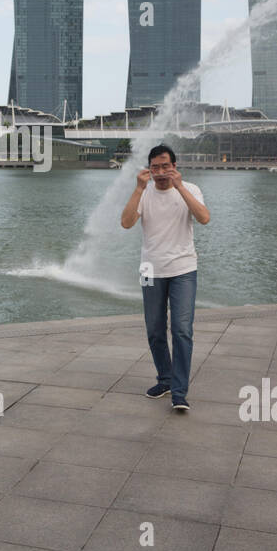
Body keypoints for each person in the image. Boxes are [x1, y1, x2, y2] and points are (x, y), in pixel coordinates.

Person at [119, 144, 209, 412]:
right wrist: (137, 189)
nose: (160, 172)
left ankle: (179, 392)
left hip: (184, 268)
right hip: (149, 270)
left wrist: (179, 187)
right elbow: (125, 223)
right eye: (155, 167)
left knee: (182, 329)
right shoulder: (143, 194)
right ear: (148, 168)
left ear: (174, 166)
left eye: (165, 166)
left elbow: (204, 218)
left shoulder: (190, 189)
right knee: (155, 329)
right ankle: (165, 379)